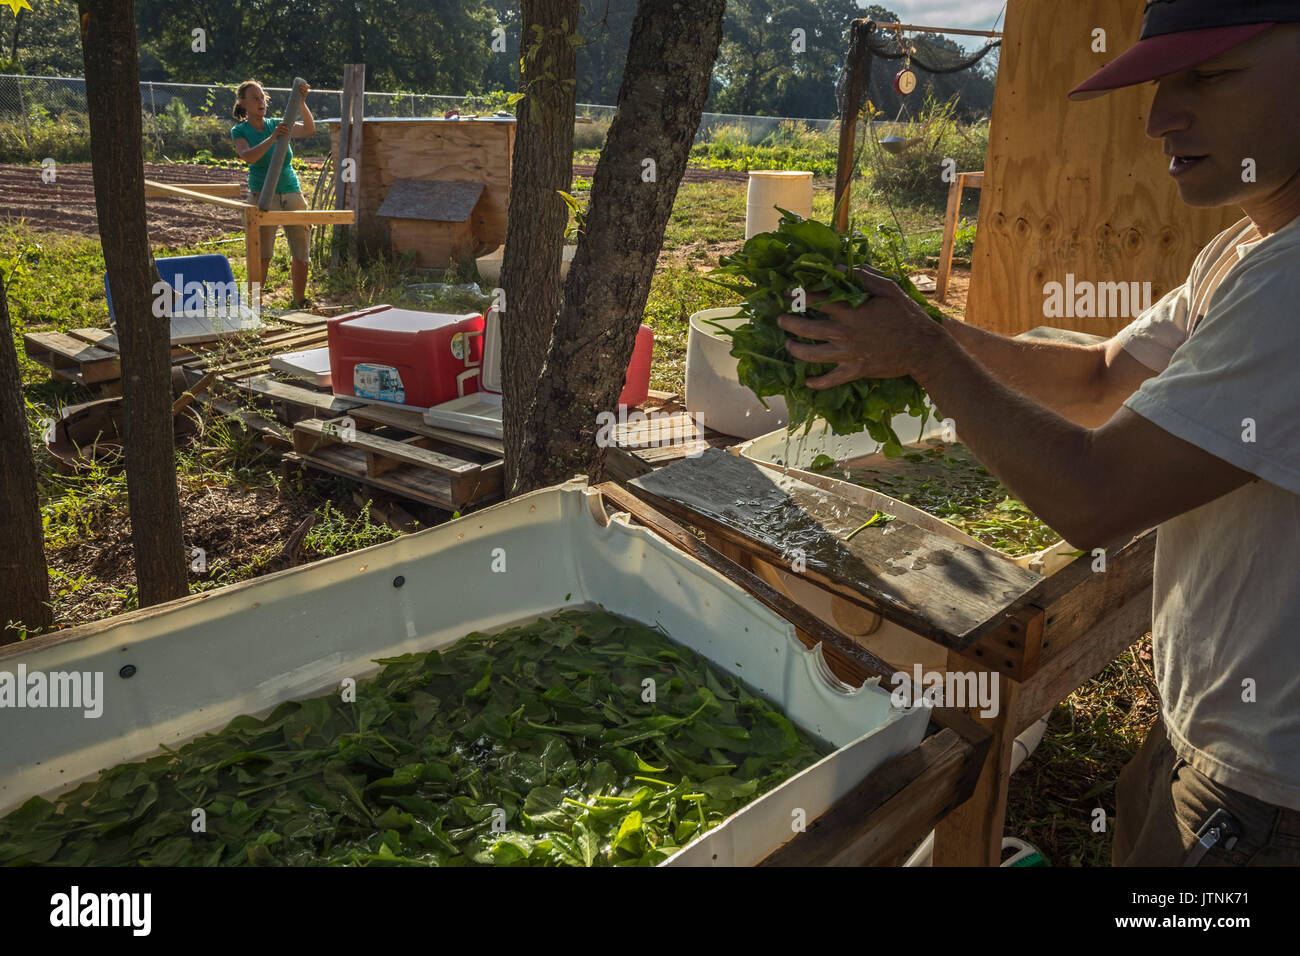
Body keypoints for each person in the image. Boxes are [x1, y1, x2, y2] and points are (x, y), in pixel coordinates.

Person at [777, 1, 1300, 867]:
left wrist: (926, 358)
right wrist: (920, 332)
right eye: (1159, 82)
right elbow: (1097, 379)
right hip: (1202, 732)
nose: (1160, 116)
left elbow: (1097, 495)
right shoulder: (1244, 254)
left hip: (1265, 792)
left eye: (1208, 77)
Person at [231, 79, 316, 307]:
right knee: (262, 253)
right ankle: (256, 305)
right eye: (255, 98)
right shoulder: (240, 130)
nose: (261, 102)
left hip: (292, 193)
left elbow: (309, 129)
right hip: (262, 196)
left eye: (263, 98)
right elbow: (248, 156)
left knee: (301, 250)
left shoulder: (279, 123)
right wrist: (273, 139)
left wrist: (302, 103)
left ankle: (299, 300)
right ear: (243, 103)